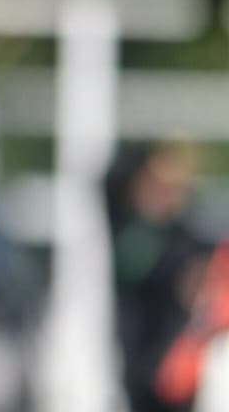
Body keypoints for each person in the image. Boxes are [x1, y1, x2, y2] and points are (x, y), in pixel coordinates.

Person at [105, 140, 215, 412]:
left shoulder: (186, 236)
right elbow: (108, 178)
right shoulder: (124, 225)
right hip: (136, 356)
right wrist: (154, 152)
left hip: (175, 357)